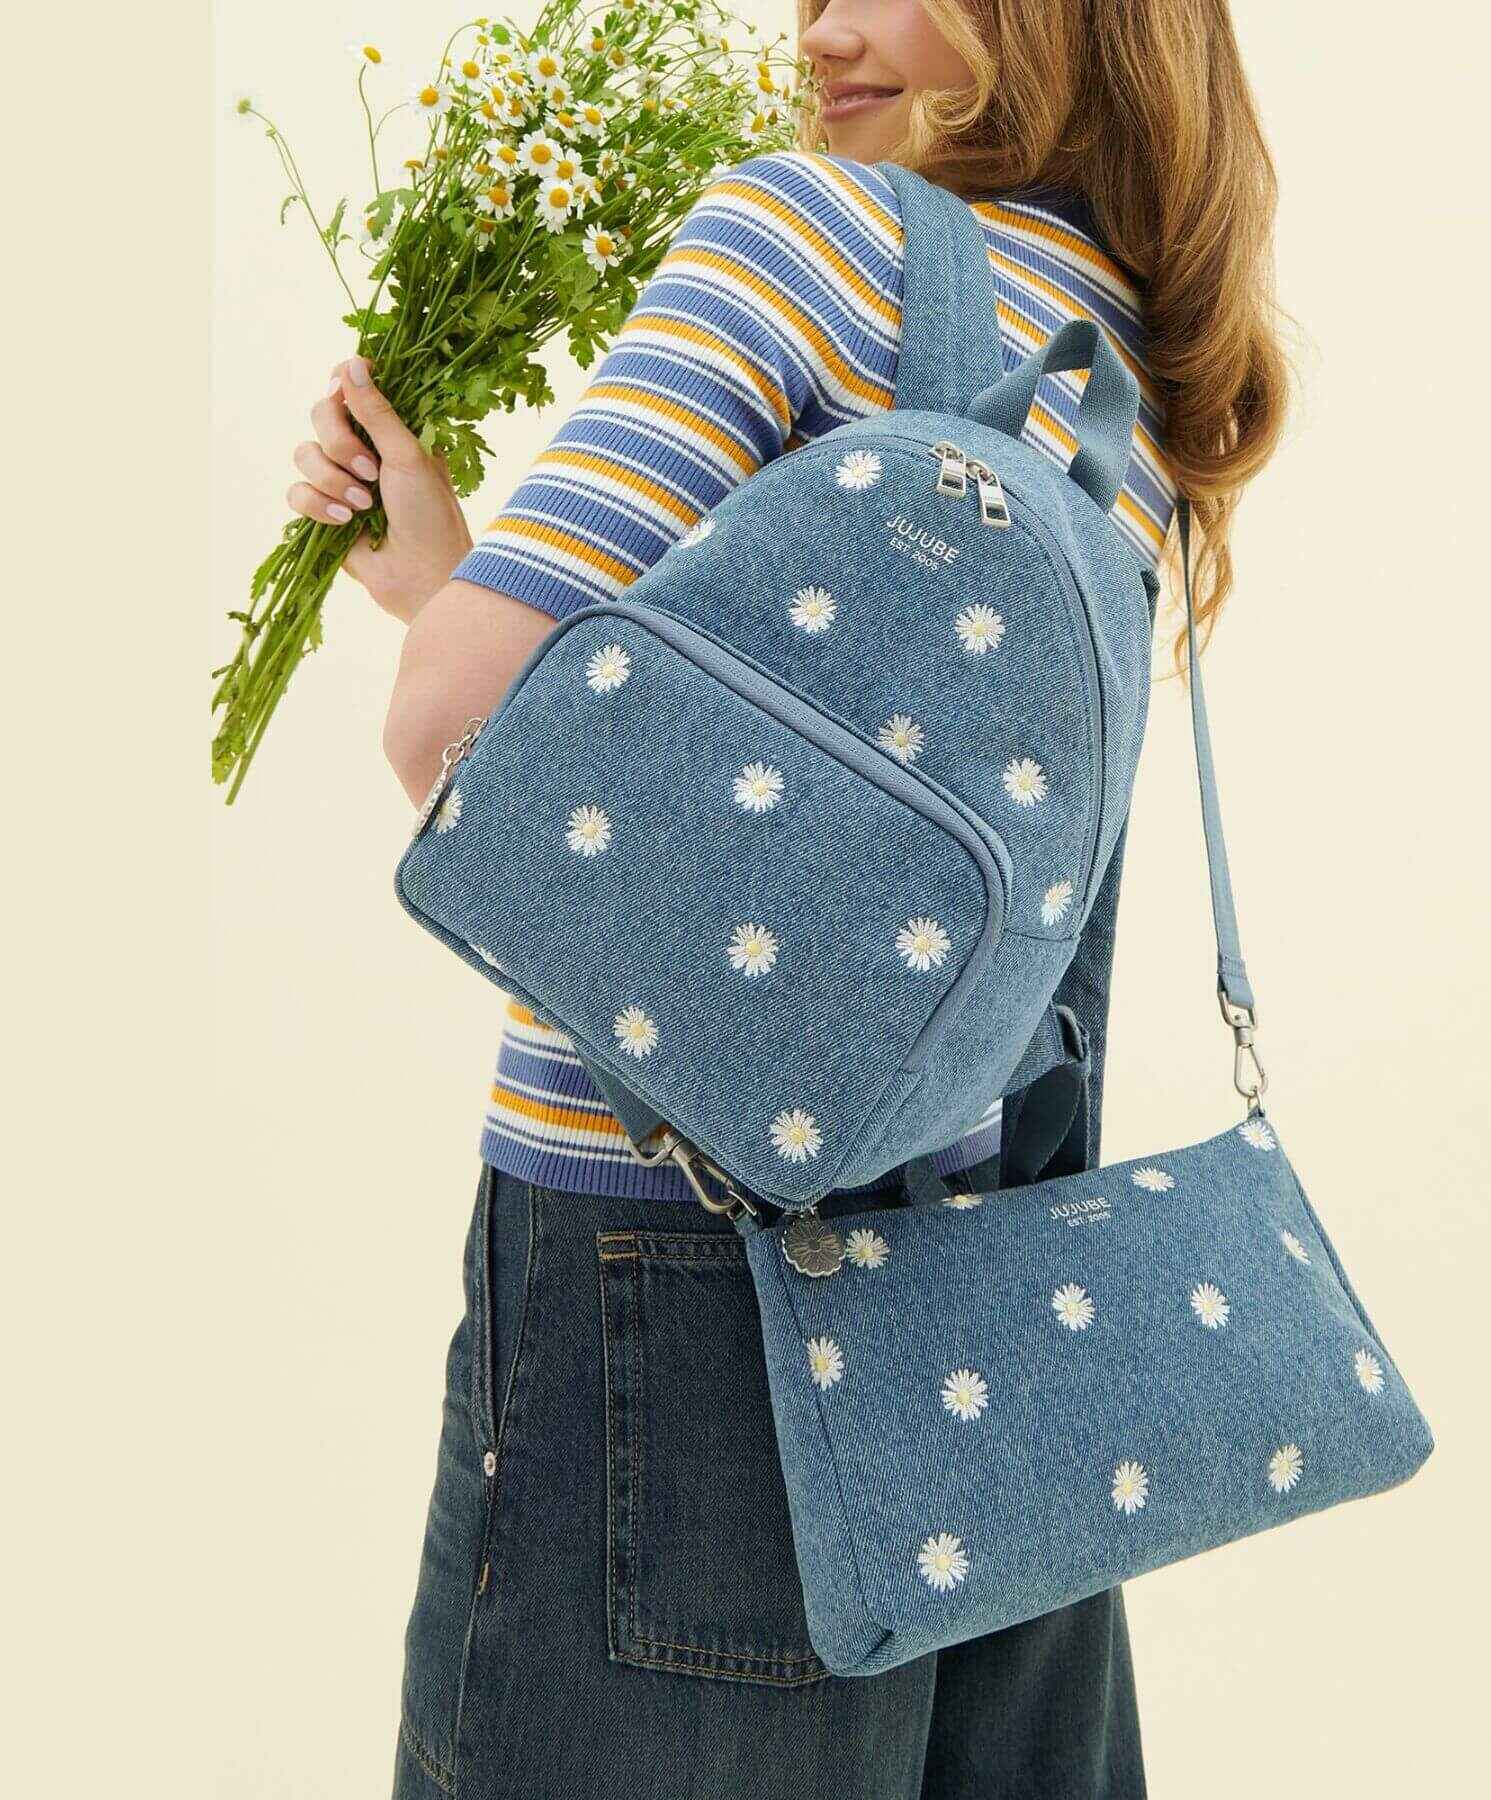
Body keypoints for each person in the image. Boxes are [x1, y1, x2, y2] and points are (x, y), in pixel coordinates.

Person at [286, 4, 1286, 1795]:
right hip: (995, 1332)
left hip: (666, 1314)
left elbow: (456, 728)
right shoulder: (1123, 348)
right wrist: (443, 575)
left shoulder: (805, 232)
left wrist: (443, 611)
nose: (817, 25)